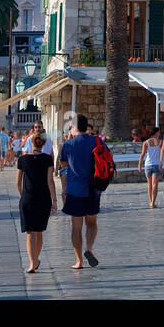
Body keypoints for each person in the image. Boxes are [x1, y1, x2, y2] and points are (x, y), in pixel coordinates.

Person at [58, 114, 101, 269]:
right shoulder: (96, 141)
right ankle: (89, 248)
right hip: (93, 188)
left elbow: (63, 164)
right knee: (92, 223)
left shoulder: (69, 144)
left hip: (75, 189)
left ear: (75, 127)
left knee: (76, 227)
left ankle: (79, 261)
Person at [17, 130, 57, 273]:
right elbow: (50, 181)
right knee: (39, 232)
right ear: (44, 143)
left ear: (30, 142)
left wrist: (23, 195)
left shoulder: (22, 160)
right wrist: (55, 200)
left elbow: (18, 182)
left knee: (30, 233)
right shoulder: (47, 159)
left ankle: (32, 263)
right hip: (43, 198)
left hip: (27, 198)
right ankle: (36, 258)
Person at [140, 127, 163, 207]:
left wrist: (139, 165)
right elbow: (163, 153)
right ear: (156, 133)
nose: (159, 133)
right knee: (155, 185)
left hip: (147, 165)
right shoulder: (160, 142)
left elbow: (142, 154)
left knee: (149, 185)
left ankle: (151, 202)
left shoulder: (146, 142)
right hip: (156, 164)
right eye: (159, 132)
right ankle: (153, 202)